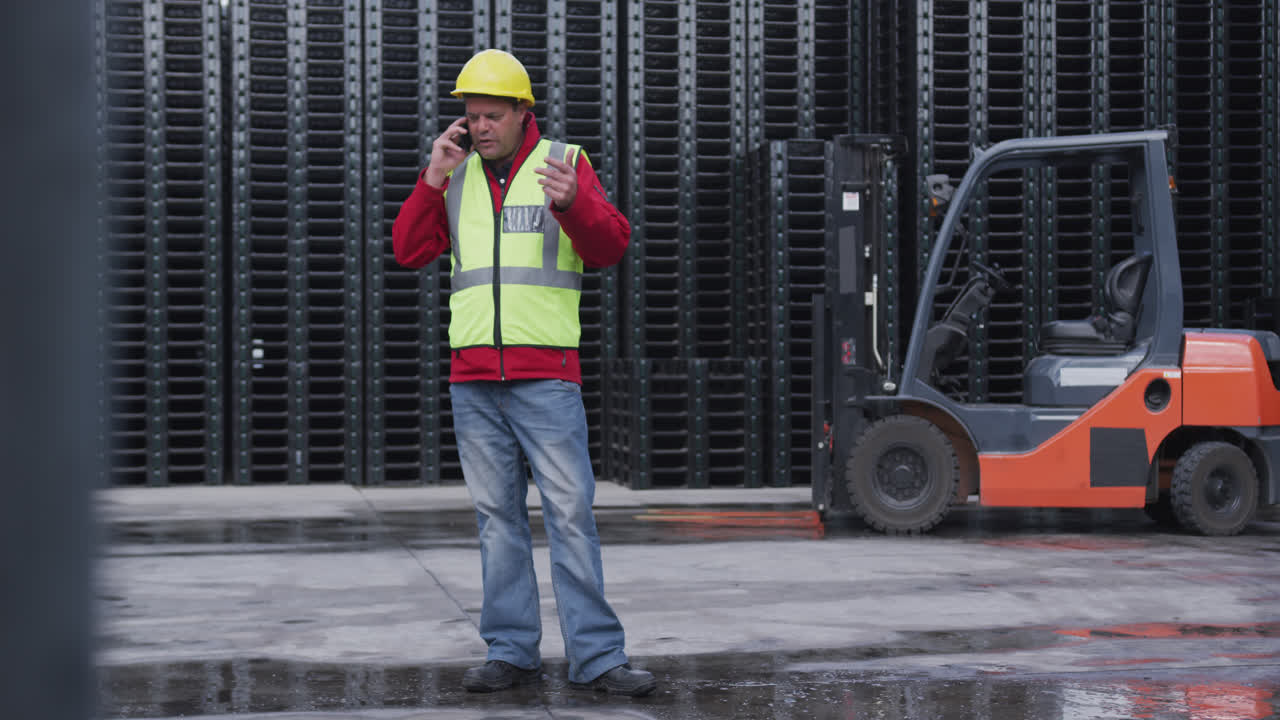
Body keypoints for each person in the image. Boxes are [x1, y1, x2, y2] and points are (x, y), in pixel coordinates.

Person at [391, 49, 656, 697]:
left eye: (490, 116)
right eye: (470, 117)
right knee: (496, 519)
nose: (478, 127)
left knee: (570, 514)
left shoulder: (564, 165)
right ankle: (511, 650)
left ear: (520, 113)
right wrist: (431, 178)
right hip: (474, 380)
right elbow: (408, 250)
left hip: (547, 377)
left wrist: (574, 206)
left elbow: (611, 247)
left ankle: (597, 657)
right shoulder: (453, 177)